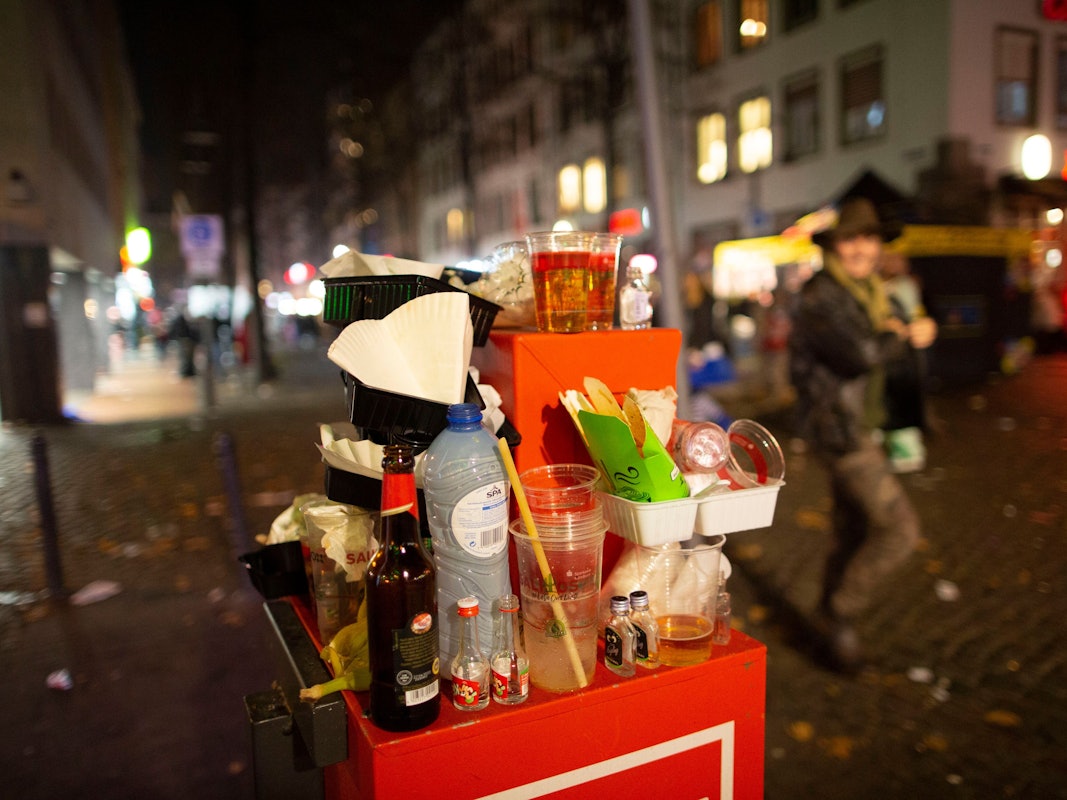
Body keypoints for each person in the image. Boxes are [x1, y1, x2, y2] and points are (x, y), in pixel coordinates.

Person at [788, 197, 937, 673]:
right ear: (834, 246)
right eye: (850, 239)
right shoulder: (820, 295)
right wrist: (898, 334)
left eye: (869, 239)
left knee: (852, 531)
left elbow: (899, 334)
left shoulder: (873, 291)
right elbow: (860, 355)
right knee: (899, 531)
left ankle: (826, 623)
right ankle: (840, 612)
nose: (861, 248)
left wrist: (916, 329)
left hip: (867, 425)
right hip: (841, 433)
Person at [879, 251, 937, 472]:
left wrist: (923, 326)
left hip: (904, 359)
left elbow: (919, 316)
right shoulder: (872, 285)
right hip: (887, 359)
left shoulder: (907, 285)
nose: (895, 262)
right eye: (890, 257)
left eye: (899, 258)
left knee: (902, 404)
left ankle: (906, 452)